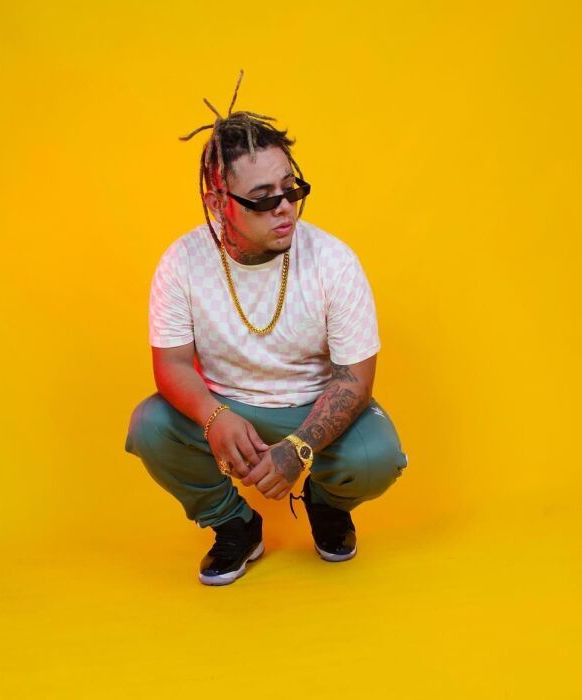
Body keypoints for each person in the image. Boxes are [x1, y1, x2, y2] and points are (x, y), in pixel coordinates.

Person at [124, 71, 408, 586]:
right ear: (217, 202)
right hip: (228, 406)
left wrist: (300, 448)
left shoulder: (333, 261)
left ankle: (327, 504)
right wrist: (214, 417)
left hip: (311, 404)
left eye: (290, 189)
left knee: (378, 457)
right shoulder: (182, 262)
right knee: (149, 425)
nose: (284, 207)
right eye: (262, 197)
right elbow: (171, 365)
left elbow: (355, 379)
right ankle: (234, 524)